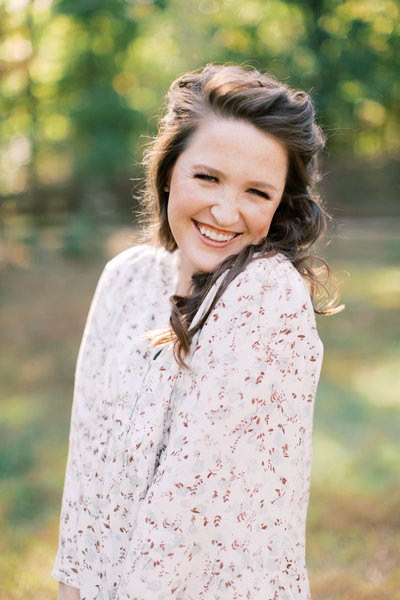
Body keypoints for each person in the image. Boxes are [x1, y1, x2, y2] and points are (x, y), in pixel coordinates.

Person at [52, 64, 340, 600]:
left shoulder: (267, 296)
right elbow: (87, 462)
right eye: (207, 177)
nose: (225, 211)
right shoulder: (127, 278)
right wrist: (73, 589)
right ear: (169, 170)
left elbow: (187, 503)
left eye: (257, 191)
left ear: (281, 202)